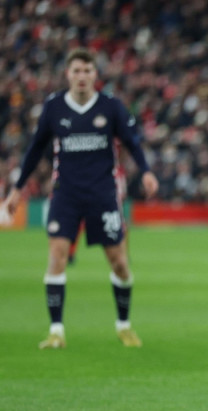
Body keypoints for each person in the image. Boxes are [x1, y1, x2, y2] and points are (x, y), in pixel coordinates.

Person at [1, 48, 158, 349]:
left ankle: (123, 325)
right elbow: (35, 150)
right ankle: (56, 331)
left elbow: (132, 142)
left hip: (103, 194)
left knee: (120, 263)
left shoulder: (111, 106)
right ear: (68, 74)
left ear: (95, 75)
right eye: (77, 71)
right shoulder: (54, 107)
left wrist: (147, 171)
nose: (82, 76)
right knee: (57, 256)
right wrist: (17, 189)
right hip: (66, 194)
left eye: (87, 70)